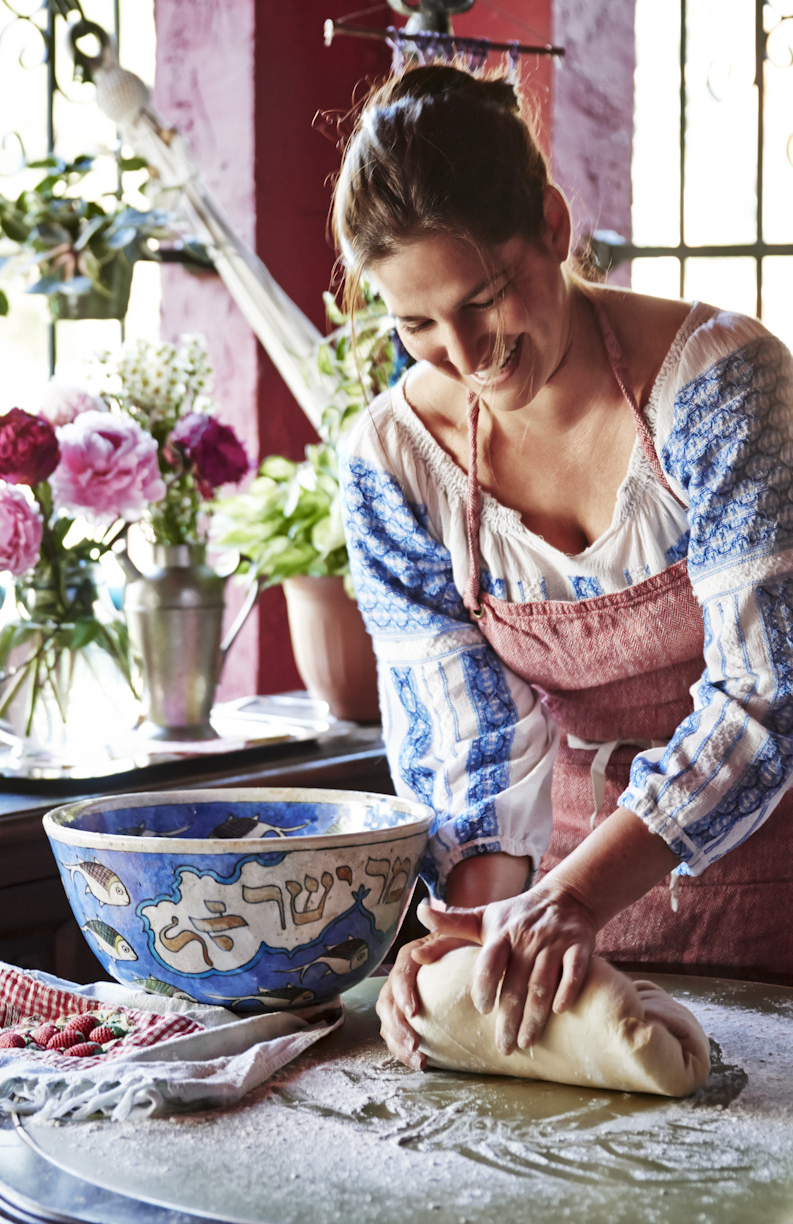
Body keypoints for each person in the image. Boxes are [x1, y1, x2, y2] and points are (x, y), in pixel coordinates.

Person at [331, 62, 793, 1071]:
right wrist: (475, 937)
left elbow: (768, 697)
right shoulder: (393, 466)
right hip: (571, 937)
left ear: (552, 224)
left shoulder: (721, 387)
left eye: (484, 298)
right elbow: (473, 744)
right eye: (414, 325)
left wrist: (576, 895)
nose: (464, 354)